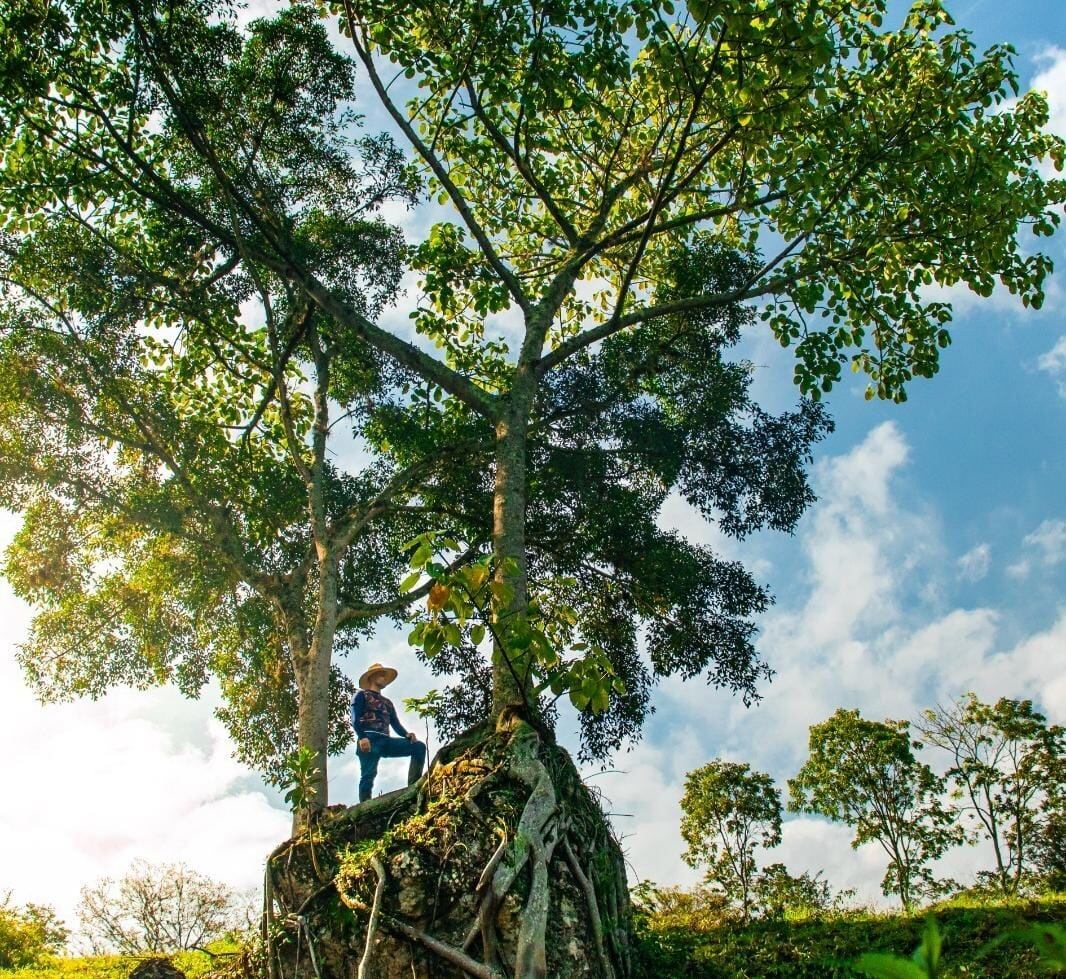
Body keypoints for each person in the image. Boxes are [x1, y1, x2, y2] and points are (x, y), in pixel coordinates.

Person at [350, 662, 426, 803]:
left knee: (419, 747)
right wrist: (362, 737)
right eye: (381, 674)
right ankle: (364, 805)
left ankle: (414, 787)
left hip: (385, 740)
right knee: (368, 775)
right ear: (372, 677)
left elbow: (395, 724)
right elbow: (354, 718)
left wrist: (406, 734)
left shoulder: (387, 702)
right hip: (369, 739)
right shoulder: (361, 695)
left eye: (385, 675)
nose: (384, 677)